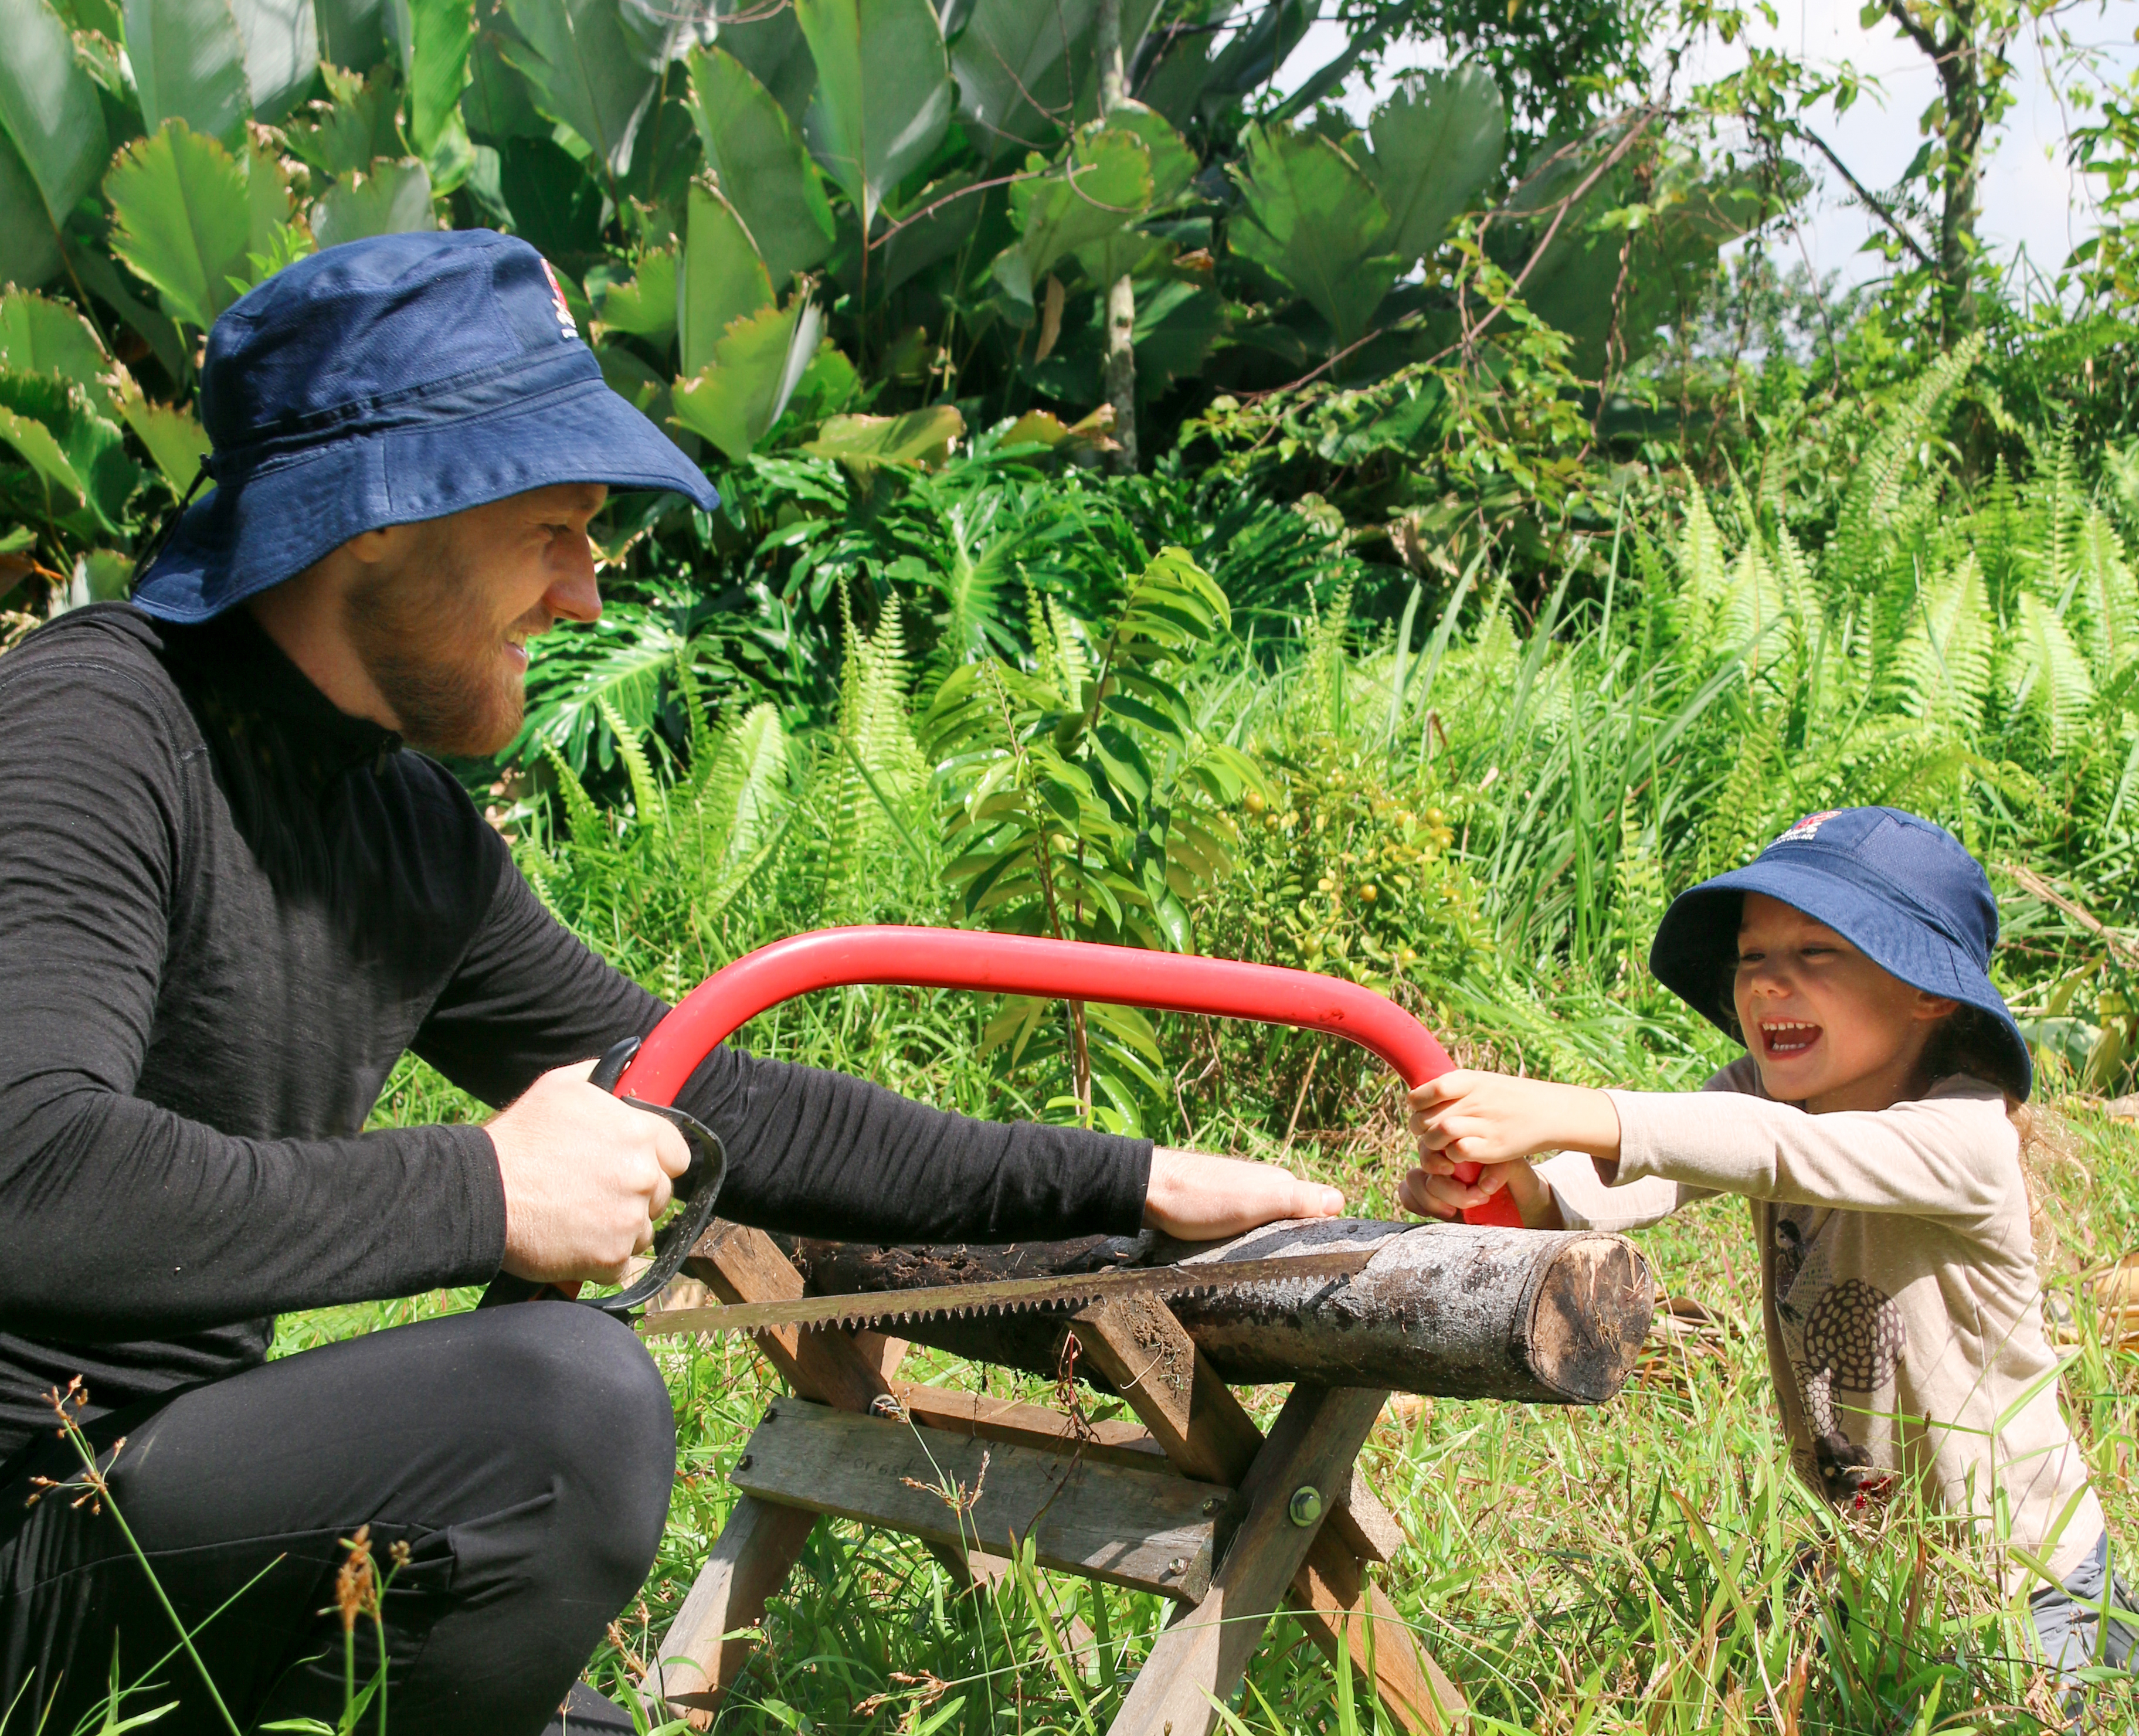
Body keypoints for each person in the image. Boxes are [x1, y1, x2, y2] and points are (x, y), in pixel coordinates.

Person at [0, 230, 1343, 1735]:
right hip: (23, 1541)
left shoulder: (400, 824)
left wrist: (1133, 1180)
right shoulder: (86, 735)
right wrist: (483, 1191)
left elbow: (705, 1088)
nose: (584, 599)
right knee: (561, 1412)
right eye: (555, 529)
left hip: (145, 1501)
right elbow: (28, 1169)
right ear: (379, 519)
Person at [1402, 806, 2134, 1702]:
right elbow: (1595, 1199)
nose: (1767, 986)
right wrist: (1508, 1181)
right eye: (1751, 958)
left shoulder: (1966, 1133)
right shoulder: (1765, 1093)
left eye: (1816, 954)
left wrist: (1572, 1106)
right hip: (1890, 1571)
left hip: (2034, 1591)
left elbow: (1769, 1147)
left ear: (1926, 991)